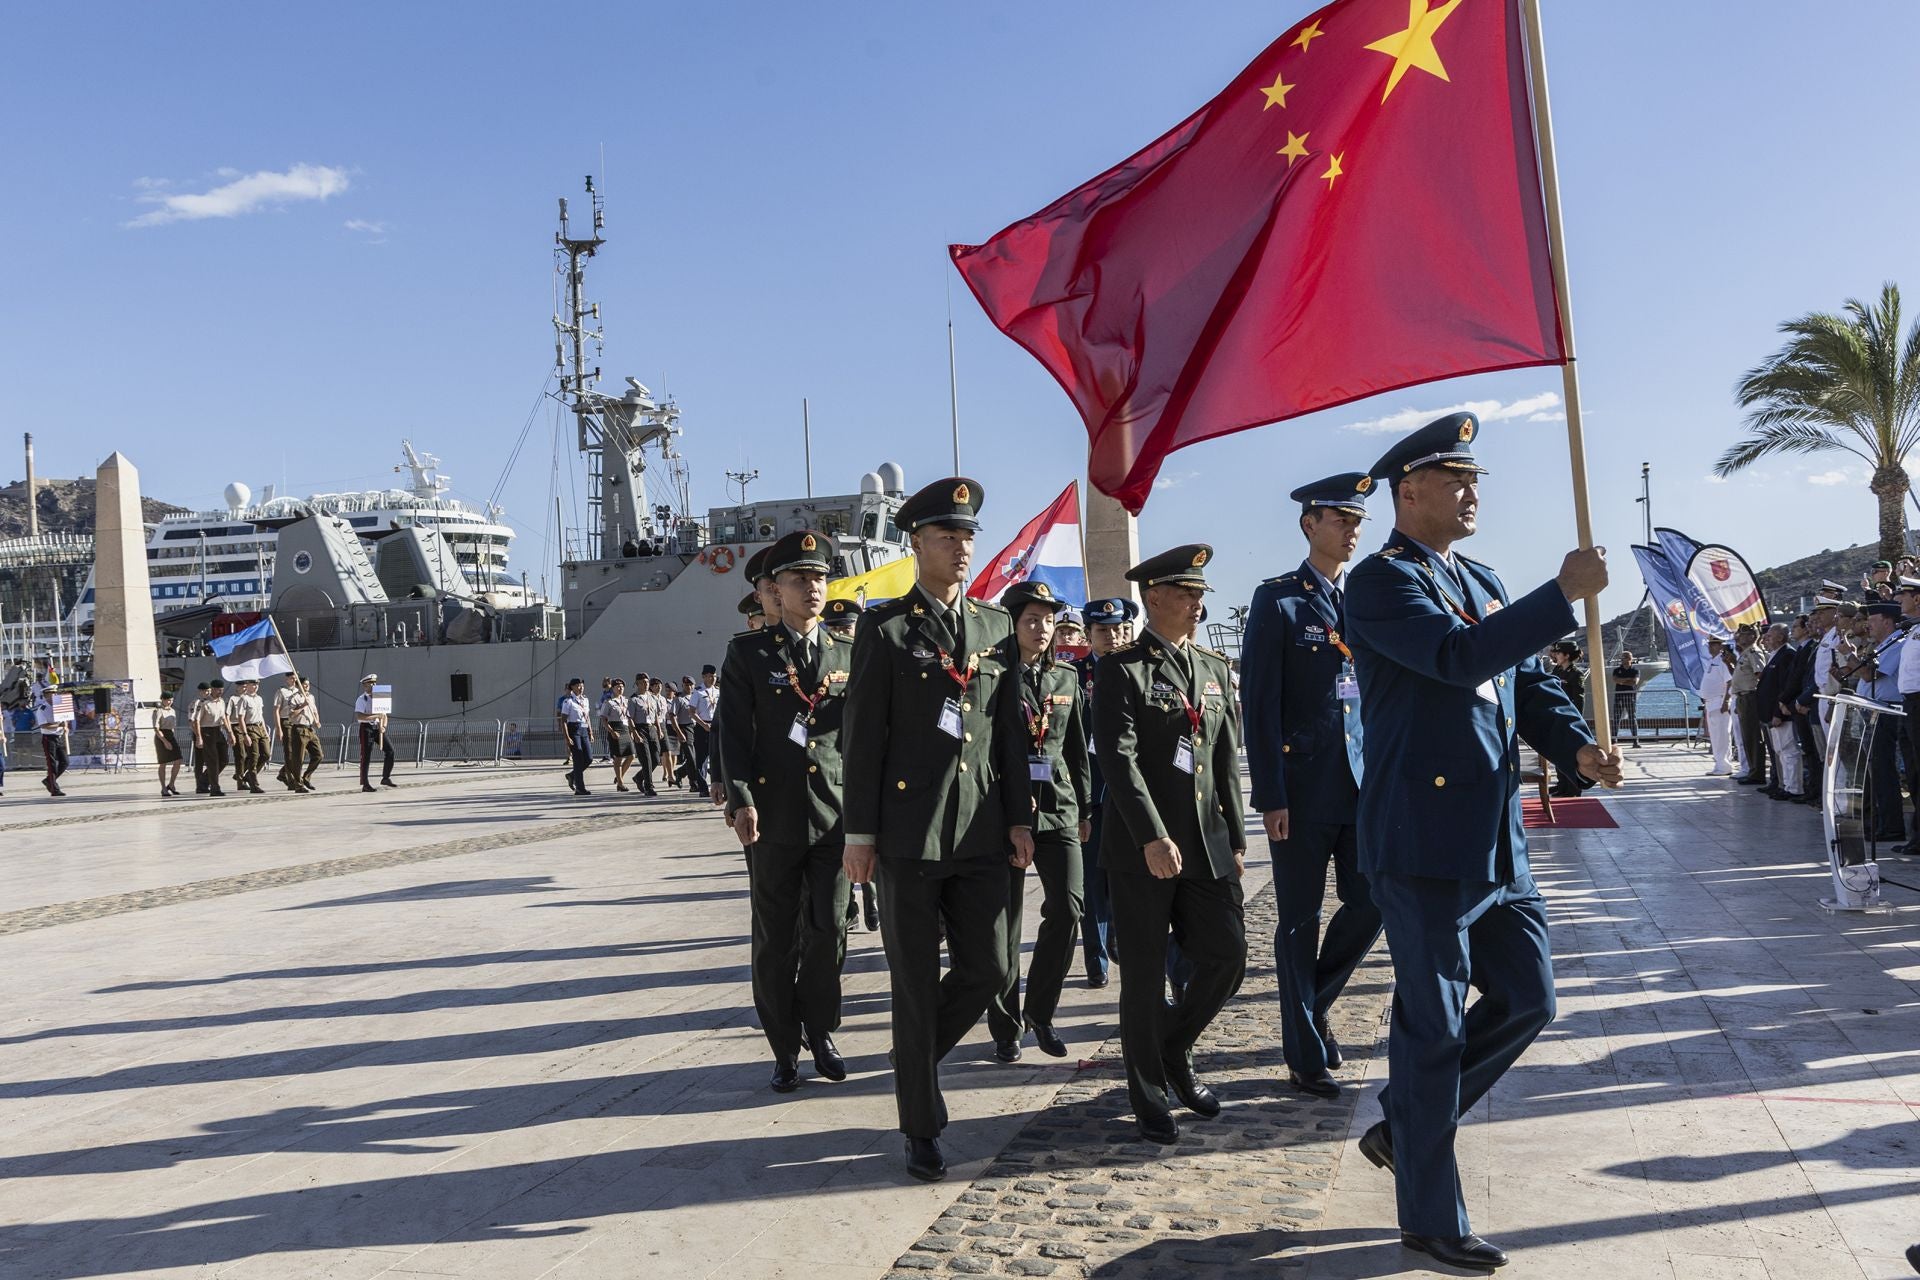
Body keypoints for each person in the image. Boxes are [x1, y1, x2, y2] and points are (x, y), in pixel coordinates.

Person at [1344, 411, 1620, 1271]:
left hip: (1498, 837)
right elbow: (1461, 659)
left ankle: (1407, 1127)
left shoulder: (1483, 575)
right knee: (1431, 1031)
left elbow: (1524, 683)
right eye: (1455, 481)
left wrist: (1575, 742)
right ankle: (1430, 1215)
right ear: (1409, 491)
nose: (1470, 495)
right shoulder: (1381, 583)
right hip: (1422, 841)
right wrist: (1561, 594)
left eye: (1475, 481)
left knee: (1529, 998)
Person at [841, 476, 1034, 1183]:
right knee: (916, 987)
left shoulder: (991, 628)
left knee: (991, 967)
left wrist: (1020, 816)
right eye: (948, 536)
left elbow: (1009, 732)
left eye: (967, 536)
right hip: (908, 834)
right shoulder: (885, 628)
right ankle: (921, 1126)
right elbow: (863, 737)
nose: (962, 546)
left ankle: (913, 1055)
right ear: (916, 542)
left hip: (982, 829)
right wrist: (857, 833)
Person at [1094, 543, 1247, 1147]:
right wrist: (1152, 835)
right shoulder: (1122, 669)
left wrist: (1234, 837)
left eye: (1201, 594)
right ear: (1153, 596)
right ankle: (1149, 1093)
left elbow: (1224, 760)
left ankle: (1172, 1047)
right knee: (1144, 977)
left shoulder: (1212, 668)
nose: (1197, 604)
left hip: (1206, 847)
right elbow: (1118, 759)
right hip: (1142, 850)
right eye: (1187, 593)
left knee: (1227, 956)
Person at [1242, 472, 1383, 1101]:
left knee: (1373, 901)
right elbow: (1259, 705)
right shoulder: (1279, 600)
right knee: (1299, 920)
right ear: (1310, 524)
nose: (1354, 530)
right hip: (1300, 790)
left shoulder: (1369, 599)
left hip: (1363, 787)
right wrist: (1270, 794)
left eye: (1358, 521)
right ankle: (1303, 1054)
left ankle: (1311, 1003)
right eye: (1342, 520)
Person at [720, 528, 855, 1092]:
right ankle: (783, 1046)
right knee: (775, 937)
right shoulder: (749, 653)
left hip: (836, 817)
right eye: (800, 580)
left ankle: (820, 1028)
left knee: (828, 931)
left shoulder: (850, 652)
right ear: (776, 589)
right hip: (772, 816)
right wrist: (741, 799)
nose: (813, 588)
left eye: (820, 578)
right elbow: (732, 732)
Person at [986, 579, 1091, 1062]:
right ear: (1012, 622)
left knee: (1069, 909)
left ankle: (1042, 1012)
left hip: (1059, 809)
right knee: (1004, 924)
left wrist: (1084, 807)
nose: (1043, 628)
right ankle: (1006, 1025)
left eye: (1049, 620)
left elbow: (1074, 750)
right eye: (1032, 619)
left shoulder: (1065, 680)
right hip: (1004, 812)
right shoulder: (992, 675)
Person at [1079, 596, 1141, 989]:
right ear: (1089, 635)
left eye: (1119, 630)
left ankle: (1121, 939)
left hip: (1132, 794)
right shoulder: (1074, 675)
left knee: (1128, 879)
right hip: (1092, 794)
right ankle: (1096, 963)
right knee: (1091, 884)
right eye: (1103, 631)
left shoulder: (1140, 671)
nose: (1112, 637)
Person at [1857, 603, 1905, 842]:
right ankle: (1882, 822)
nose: (1868, 625)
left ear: (1887, 622)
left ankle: (1892, 826)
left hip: (1886, 712)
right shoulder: (1883, 645)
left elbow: (1872, 674)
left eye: (1873, 621)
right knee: (1876, 771)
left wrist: (1855, 656)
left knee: (1884, 771)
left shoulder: (1898, 643)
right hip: (1873, 711)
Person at [1755, 624, 1804, 802]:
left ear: (1780, 638)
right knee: (1780, 751)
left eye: (1769, 636)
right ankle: (1784, 785)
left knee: (1789, 751)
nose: (1765, 639)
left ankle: (1794, 788)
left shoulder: (1787, 655)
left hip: (1782, 714)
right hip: (1771, 713)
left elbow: (1784, 687)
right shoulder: (1774, 655)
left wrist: (1778, 713)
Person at [1730, 624, 1767, 786]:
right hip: (1742, 698)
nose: (1740, 637)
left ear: (1753, 636)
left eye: (1744, 634)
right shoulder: (1744, 654)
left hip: (1751, 697)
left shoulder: (1753, 652)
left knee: (1753, 736)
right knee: (1746, 736)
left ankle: (1757, 773)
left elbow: (1761, 675)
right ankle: (1752, 770)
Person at [274, 672, 316, 794]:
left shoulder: (305, 693)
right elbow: (276, 710)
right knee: (290, 752)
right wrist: (278, 728)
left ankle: (283, 773)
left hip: (301, 724)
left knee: (302, 753)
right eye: (291, 678)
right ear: (286, 679)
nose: (293, 680)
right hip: (287, 722)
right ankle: (292, 781)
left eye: (295, 678)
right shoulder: (282, 692)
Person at [355, 674, 397, 793]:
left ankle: (386, 777)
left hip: (378, 728)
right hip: (366, 728)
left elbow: (384, 714)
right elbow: (359, 716)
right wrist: (376, 716)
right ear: (365, 685)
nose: (373, 685)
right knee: (366, 755)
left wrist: (383, 726)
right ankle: (365, 783)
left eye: (374, 683)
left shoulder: (381, 697)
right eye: (370, 683)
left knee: (390, 750)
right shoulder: (362, 699)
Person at [1700, 636, 1735, 776]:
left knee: (1722, 735)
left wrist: (1726, 701)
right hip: (1711, 703)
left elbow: (1730, 681)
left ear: (1721, 646)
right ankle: (1719, 763)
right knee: (1715, 736)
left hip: (1719, 701)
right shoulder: (1712, 661)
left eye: (1715, 644)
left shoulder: (1722, 662)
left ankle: (1725, 765)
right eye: (1710, 644)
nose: (1711, 646)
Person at [33, 670, 70, 798]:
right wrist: (58, 725)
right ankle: (54, 789)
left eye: (55, 693)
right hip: (48, 738)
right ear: (46, 695)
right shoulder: (42, 709)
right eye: (52, 694)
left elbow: (65, 718)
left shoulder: (59, 706)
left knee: (65, 762)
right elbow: (44, 726)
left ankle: (49, 780)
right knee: (52, 765)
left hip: (58, 737)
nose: (55, 695)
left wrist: (65, 726)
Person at [556, 676, 595, 795]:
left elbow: (587, 717)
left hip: (584, 729)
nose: (581, 687)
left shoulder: (585, 700)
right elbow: (563, 720)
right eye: (578, 685)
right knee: (578, 759)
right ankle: (580, 788)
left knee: (589, 758)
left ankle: (572, 775)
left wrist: (591, 731)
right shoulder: (568, 702)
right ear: (572, 687)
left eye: (582, 685)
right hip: (574, 729)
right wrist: (567, 737)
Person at [192, 678, 231, 797]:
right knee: (212, 761)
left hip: (218, 730)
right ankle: (215, 788)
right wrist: (199, 737)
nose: (220, 692)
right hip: (207, 731)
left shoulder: (222, 702)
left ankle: (203, 781)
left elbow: (224, 718)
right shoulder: (203, 703)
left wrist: (230, 733)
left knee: (224, 760)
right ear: (213, 689)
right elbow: (196, 721)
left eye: (221, 690)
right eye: (218, 690)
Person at [601, 677, 638, 791]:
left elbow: (630, 717)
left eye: (622, 686)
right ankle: (620, 784)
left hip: (625, 728)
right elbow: (603, 719)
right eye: (617, 686)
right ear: (612, 688)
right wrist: (611, 731)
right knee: (618, 758)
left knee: (631, 755)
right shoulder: (609, 702)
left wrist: (632, 731)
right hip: (615, 728)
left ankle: (619, 777)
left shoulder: (626, 701)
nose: (620, 688)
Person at [690, 664, 719, 791]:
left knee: (717, 756)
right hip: (703, 726)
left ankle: (717, 785)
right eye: (709, 676)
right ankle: (702, 788)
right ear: (703, 677)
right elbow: (692, 712)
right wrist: (704, 725)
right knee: (702, 758)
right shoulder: (698, 691)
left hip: (716, 725)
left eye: (713, 676)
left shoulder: (718, 691)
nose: (712, 679)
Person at [153, 690, 183, 797]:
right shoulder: (158, 711)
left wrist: (172, 739)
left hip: (171, 734)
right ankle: (163, 788)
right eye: (166, 700)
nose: (169, 702)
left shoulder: (173, 711)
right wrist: (165, 741)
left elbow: (173, 726)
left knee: (178, 760)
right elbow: (156, 728)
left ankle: (171, 784)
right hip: (161, 735)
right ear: (162, 700)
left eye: (171, 699)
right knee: (163, 763)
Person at [1609, 650, 1641, 746]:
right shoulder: (1616, 670)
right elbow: (1615, 679)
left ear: (1630, 659)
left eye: (1624, 657)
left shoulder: (1635, 670)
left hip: (1630, 697)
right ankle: (1614, 740)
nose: (1622, 659)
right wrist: (1627, 680)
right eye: (1621, 657)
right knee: (1616, 718)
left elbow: (1635, 682)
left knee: (1632, 718)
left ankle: (1635, 741)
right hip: (1619, 697)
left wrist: (1622, 681)